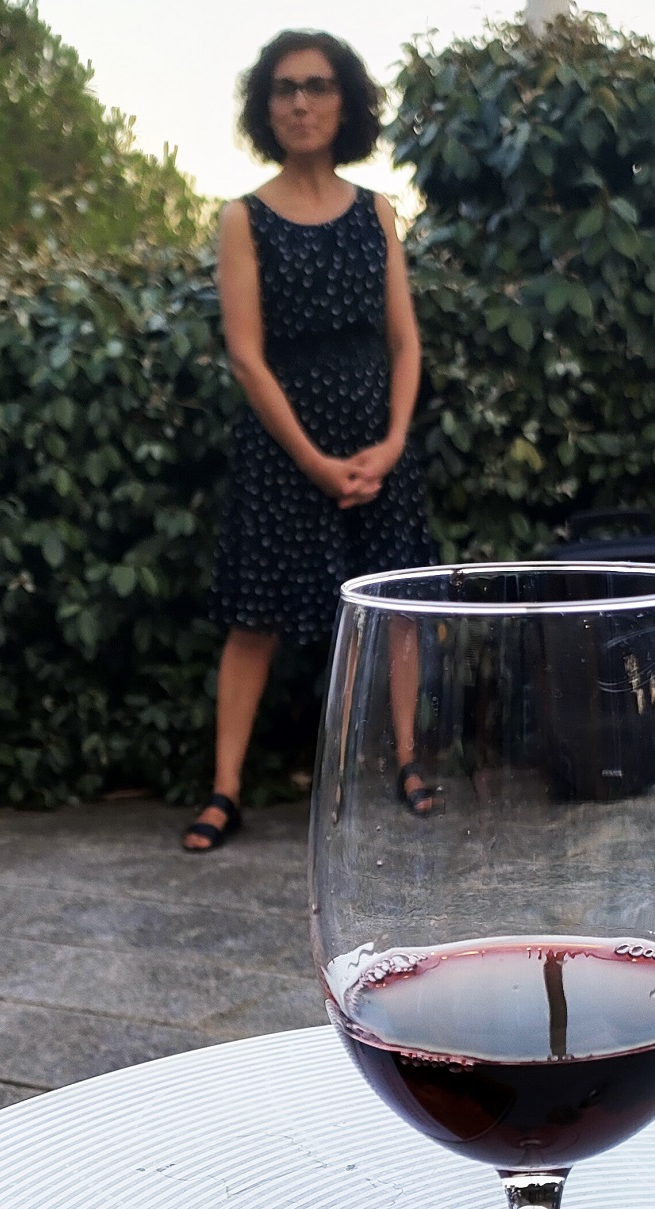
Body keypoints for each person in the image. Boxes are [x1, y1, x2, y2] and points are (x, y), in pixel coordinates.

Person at [184, 29, 438, 852]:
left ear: (345, 102)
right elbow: (246, 356)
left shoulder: (376, 212)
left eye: (317, 86)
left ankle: (407, 761)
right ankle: (224, 791)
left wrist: (392, 442)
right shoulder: (242, 218)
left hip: (374, 447)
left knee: (397, 611)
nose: (300, 102)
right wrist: (312, 461)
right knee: (253, 617)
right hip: (283, 450)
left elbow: (404, 342)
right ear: (266, 108)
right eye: (284, 88)